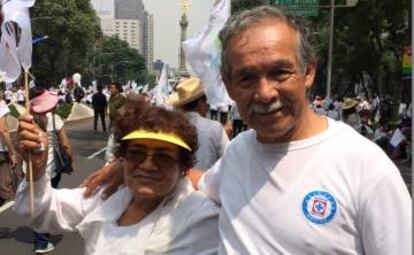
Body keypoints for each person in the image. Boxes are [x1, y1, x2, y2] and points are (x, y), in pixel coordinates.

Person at [82, 6, 411, 254]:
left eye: (280, 73)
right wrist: (129, 168)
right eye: (247, 77)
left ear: (308, 71)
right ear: (228, 85)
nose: (265, 93)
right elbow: (199, 182)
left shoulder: (367, 168)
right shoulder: (239, 151)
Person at [14, 95, 219, 255]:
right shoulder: (108, 196)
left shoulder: (200, 217)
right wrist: (36, 171)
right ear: (122, 159)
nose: (147, 165)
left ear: (183, 165)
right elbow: (39, 212)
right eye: (136, 153)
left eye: (163, 157)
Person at [28, 84, 74, 254]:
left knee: (38, 202)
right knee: (45, 202)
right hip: (50, 169)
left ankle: (42, 234)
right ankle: (41, 241)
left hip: (31, 169)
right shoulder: (54, 118)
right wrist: (70, 162)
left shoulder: (26, 118)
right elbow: (65, 144)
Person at [168, 78, 229, 171]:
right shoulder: (214, 128)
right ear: (201, 104)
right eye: (206, 104)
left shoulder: (169, 126)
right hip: (205, 182)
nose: (207, 107)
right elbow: (228, 157)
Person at [0, 92, 18, 207]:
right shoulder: (1, 105)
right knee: (5, 188)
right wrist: (12, 152)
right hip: (0, 152)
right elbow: (3, 130)